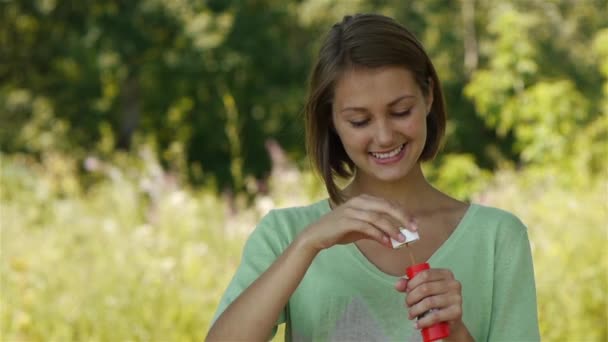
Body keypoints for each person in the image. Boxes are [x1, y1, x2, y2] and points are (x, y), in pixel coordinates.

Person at [206, 13, 540, 342]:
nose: (383, 136)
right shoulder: (284, 235)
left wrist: (456, 334)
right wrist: (307, 246)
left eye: (400, 112)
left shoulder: (497, 239)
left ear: (428, 96)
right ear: (332, 121)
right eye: (359, 121)